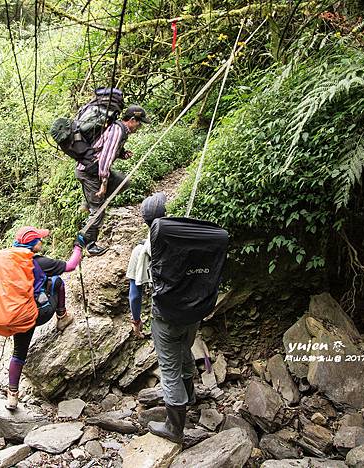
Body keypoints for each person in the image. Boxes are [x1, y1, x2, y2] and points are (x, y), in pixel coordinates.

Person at [131, 194, 229, 444]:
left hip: (166, 317)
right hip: (193, 313)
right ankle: (191, 397)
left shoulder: (143, 249)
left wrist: (136, 320)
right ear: (166, 214)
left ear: (145, 221)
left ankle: (174, 428)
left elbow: (135, 292)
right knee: (184, 350)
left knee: (169, 368)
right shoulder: (189, 239)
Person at [5, 226, 83, 410]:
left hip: (17, 314)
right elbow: (70, 266)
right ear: (33, 244)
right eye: (39, 239)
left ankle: (12, 397)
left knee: (18, 354)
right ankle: (62, 316)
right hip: (38, 313)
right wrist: (78, 247)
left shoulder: (10, 259)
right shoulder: (38, 261)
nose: (42, 241)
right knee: (56, 281)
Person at [76, 105, 151, 256]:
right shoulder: (117, 130)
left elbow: (106, 147)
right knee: (98, 210)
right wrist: (104, 184)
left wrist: (123, 154)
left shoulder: (120, 130)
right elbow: (105, 158)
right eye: (139, 122)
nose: (140, 126)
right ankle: (88, 244)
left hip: (93, 170)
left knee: (123, 182)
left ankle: (90, 203)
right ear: (131, 120)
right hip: (90, 172)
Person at [126, 192, 167, 338]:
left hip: (164, 309)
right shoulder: (179, 236)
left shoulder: (140, 251)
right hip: (190, 305)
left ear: (145, 221)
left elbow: (135, 295)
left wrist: (136, 321)